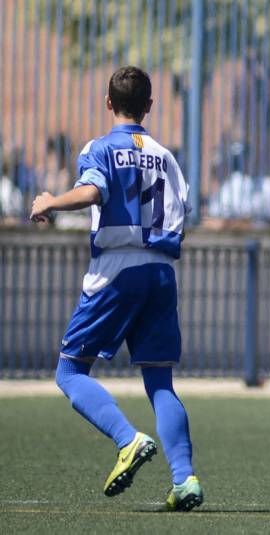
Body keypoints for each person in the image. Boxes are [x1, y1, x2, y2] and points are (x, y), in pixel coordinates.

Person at [29, 66, 203, 510]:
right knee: (161, 381)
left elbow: (92, 192)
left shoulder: (100, 148)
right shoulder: (166, 155)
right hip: (162, 272)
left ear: (108, 103)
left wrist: (50, 201)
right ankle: (185, 481)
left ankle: (127, 439)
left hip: (117, 269)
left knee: (69, 372)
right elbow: (183, 215)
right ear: (149, 106)